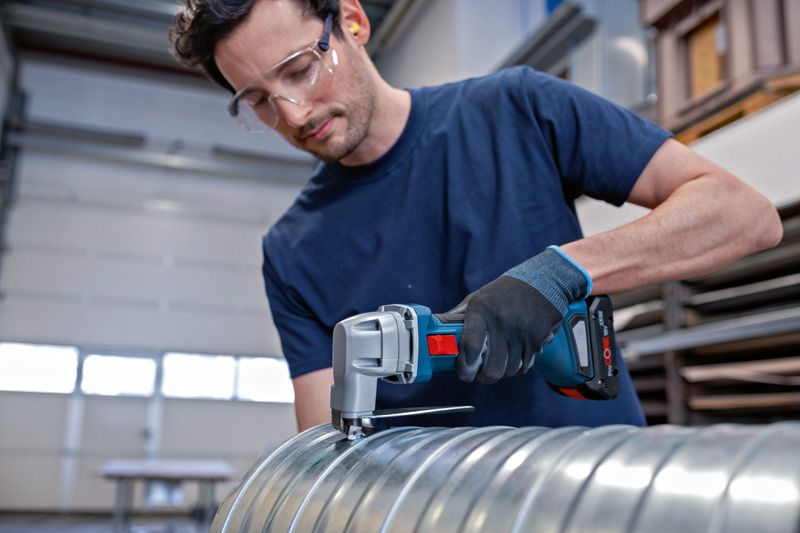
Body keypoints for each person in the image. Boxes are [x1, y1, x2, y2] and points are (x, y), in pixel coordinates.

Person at [170, 0, 783, 431]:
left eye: (300, 69)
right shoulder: (291, 251)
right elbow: (326, 444)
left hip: (598, 495)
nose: (294, 113)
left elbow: (741, 213)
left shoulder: (516, 108)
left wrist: (556, 274)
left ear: (353, 22)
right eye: (259, 102)